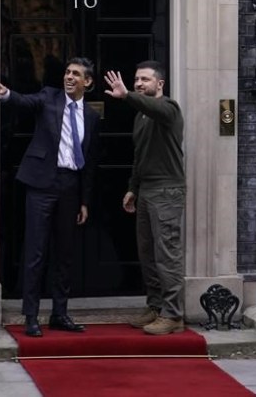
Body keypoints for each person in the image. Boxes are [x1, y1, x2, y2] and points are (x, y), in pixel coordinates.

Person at [0, 57, 101, 337]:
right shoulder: (49, 97)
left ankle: (60, 314)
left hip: (70, 186)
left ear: (87, 82)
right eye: (67, 72)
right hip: (42, 184)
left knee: (64, 254)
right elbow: (25, 101)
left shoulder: (90, 116)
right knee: (36, 252)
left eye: (76, 74)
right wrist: (6, 95)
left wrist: (85, 201)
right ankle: (31, 316)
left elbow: (90, 162)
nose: (69, 77)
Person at [103, 60, 185, 335]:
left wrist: (127, 95)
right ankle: (156, 307)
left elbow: (155, 107)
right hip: (147, 190)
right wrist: (132, 188)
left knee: (167, 256)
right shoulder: (140, 116)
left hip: (167, 191)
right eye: (136, 79)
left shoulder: (169, 109)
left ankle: (173, 315)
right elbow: (139, 156)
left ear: (159, 84)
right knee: (148, 255)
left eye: (145, 80)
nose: (139, 83)